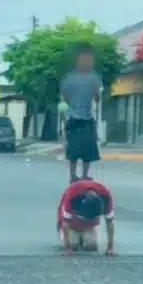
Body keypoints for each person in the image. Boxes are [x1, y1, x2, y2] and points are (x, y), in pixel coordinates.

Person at [60, 45, 102, 182]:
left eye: (89, 60)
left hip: (84, 117)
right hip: (75, 117)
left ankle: (82, 175)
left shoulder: (92, 77)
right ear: (78, 61)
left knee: (86, 148)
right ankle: (74, 175)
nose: (88, 63)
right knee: (77, 148)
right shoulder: (72, 78)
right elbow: (97, 97)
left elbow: (65, 96)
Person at [56, 178, 116, 256]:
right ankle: (71, 235)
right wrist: (67, 248)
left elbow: (110, 222)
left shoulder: (105, 196)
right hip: (72, 224)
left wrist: (110, 248)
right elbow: (66, 222)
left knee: (91, 246)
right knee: (73, 245)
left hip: (90, 225)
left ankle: (84, 235)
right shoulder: (72, 195)